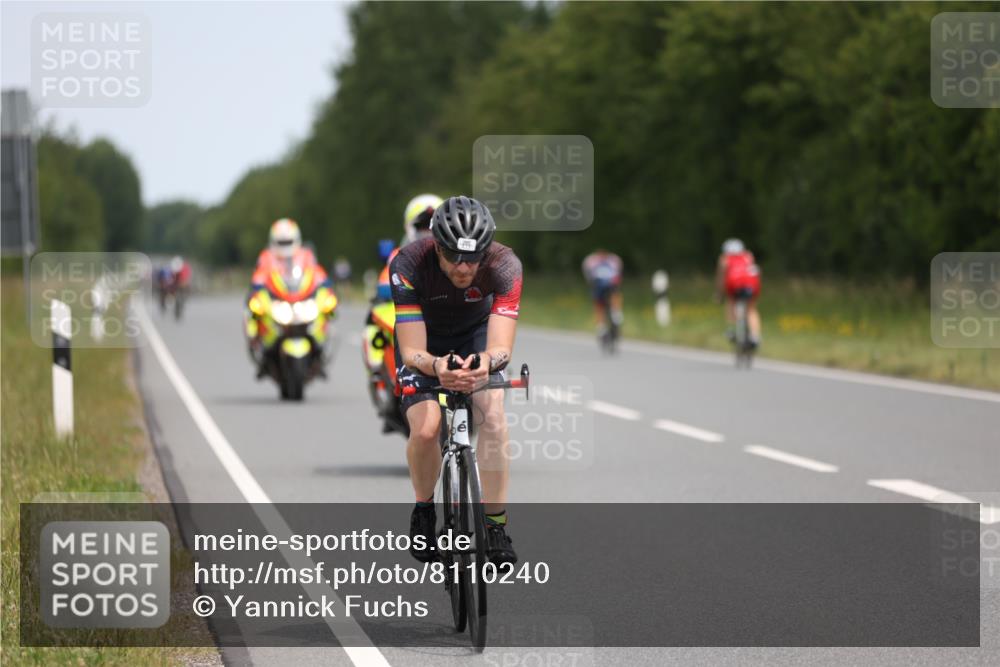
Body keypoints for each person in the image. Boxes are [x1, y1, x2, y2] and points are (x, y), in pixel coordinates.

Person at [390, 196, 522, 565]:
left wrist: (484, 363)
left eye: (473, 257)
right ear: (437, 246)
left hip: (476, 338)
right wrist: (436, 367)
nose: (464, 267)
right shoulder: (409, 263)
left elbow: (501, 347)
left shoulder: (505, 264)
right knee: (428, 428)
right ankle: (424, 510)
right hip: (426, 342)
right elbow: (412, 352)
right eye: (453, 256)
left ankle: (495, 525)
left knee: (493, 418)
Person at [246, 219, 330, 370]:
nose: (285, 246)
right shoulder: (266, 257)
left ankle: (321, 342)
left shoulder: (306, 255)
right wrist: (256, 288)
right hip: (277, 299)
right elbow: (257, 277)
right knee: (252, 310)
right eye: (281, 242)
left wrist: (325, 285)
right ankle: (256, 341)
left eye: (288, 241)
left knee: (326, 306)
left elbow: (318, 273)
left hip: (301, 298)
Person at [716, 238, 761, 347]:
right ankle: (755, 336)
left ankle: (731, 329)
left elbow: (721, 279)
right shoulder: (748, 256)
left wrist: (720, 294)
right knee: (751, 309)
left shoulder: (724, 259)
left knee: (730, 302)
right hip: (751, 284)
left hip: (733, 285)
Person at [581, 249, 624, 335]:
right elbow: (587, 272)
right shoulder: (592, 260)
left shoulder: (612, 259)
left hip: (607, 284)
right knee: (600, 303)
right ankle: (603, 324)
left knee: (611, 297)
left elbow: (618, 272)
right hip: (601, 284)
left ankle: (614, 314)